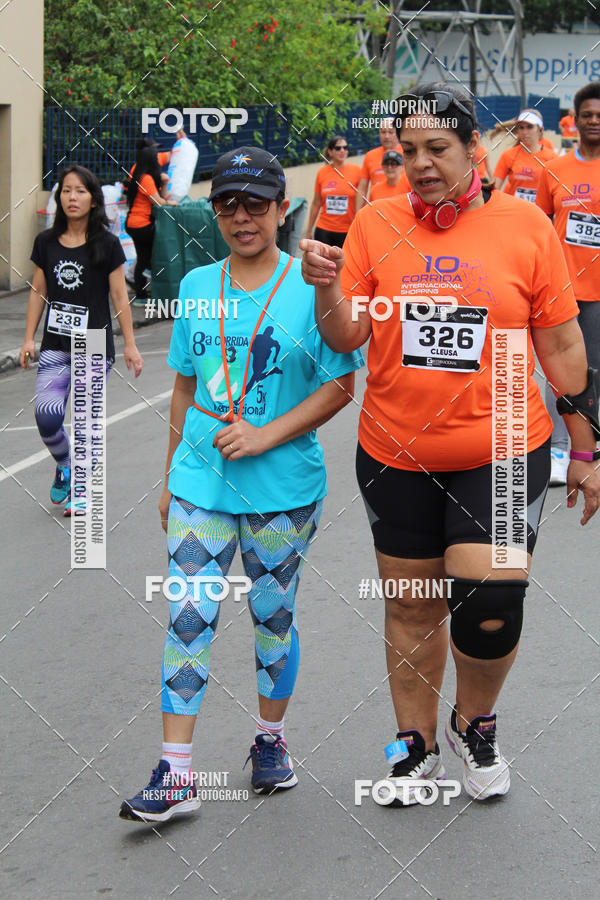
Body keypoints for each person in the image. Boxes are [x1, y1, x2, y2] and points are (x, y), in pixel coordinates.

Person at [300, 82, 600, 806]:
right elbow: (345, 335)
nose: (421, 164)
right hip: (395, 451)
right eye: (408, 151)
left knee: (492, 601)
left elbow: (563, 344)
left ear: (473, 149)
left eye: (437, 148)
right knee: (412, 607)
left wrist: (587, 450)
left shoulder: (526, 227)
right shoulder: (375, 222)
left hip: (504, 443)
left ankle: (476, 722)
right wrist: (325, 287)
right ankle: (415, 744)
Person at [119, 146, 363, 823]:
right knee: (188, 615)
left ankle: (269, 740)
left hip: (282, 487)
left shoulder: (309, 286)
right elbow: (185, 387)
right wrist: (169, 475)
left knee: (271, 616)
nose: (242, 216)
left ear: (282, 209)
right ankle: (176, 772)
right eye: (228, 203)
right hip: (200, 480)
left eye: (256, 203)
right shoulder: (198, 284)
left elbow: (341, 385)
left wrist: (264, 435)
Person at [19, 164, 143, 516]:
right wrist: (28, 339)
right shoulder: (46, 242)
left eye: (80, 191)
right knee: (46, 417)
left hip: (92, 342)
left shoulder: (107, 244)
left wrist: (130, 344)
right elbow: (38, 292)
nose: (72, 197)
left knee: (86, 421)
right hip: (55, 343)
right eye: (66, 190)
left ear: (94, 200)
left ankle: (84, 491)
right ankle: (65, 465)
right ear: (59, 197)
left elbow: (119, 296)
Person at [537, 82, 600, 485]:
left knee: (593, 369)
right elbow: (540, 227)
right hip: (561, 288)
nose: (594, 121)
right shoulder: (555, 169)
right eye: (587, 115)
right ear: (574, 121)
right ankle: (559, 448)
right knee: (560, 370)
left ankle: (588, 444)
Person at [125, 143, 178, 304]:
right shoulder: (146, 179)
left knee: (143, 259)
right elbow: (159, 202)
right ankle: (143, 291)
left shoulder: (139, 174)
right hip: (142, 225)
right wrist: (172, 203)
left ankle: (141, 293)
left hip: (134, 223)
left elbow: (160, 198)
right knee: (149, 258)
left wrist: (164, 182)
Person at [303, 136, 361, 248]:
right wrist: (309, 230)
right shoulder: (322, 172)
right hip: (324, 229)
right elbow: (316, 203)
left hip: (347, 230)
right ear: (330, 151)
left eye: (345, 147)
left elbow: (362, 201)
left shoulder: (357, 171)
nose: (342, 151)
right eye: (338, 148)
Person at [494, 109, 556, 202]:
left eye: (529, 127)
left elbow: (557, 191)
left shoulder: (552, 158)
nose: (525, 132)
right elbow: (494, 189)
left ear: (541, 130)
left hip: (539, 210)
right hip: (513, 209)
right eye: (521, 127)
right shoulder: (508, 155)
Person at [355, 119, 402, 210]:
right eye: (383, 132)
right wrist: (358, 213)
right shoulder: (370, 156)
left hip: (400, 208)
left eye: (391, 132)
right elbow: (362, 188)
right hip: (378, 209)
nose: (386, 136)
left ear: (398, 133)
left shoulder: (407, 153)